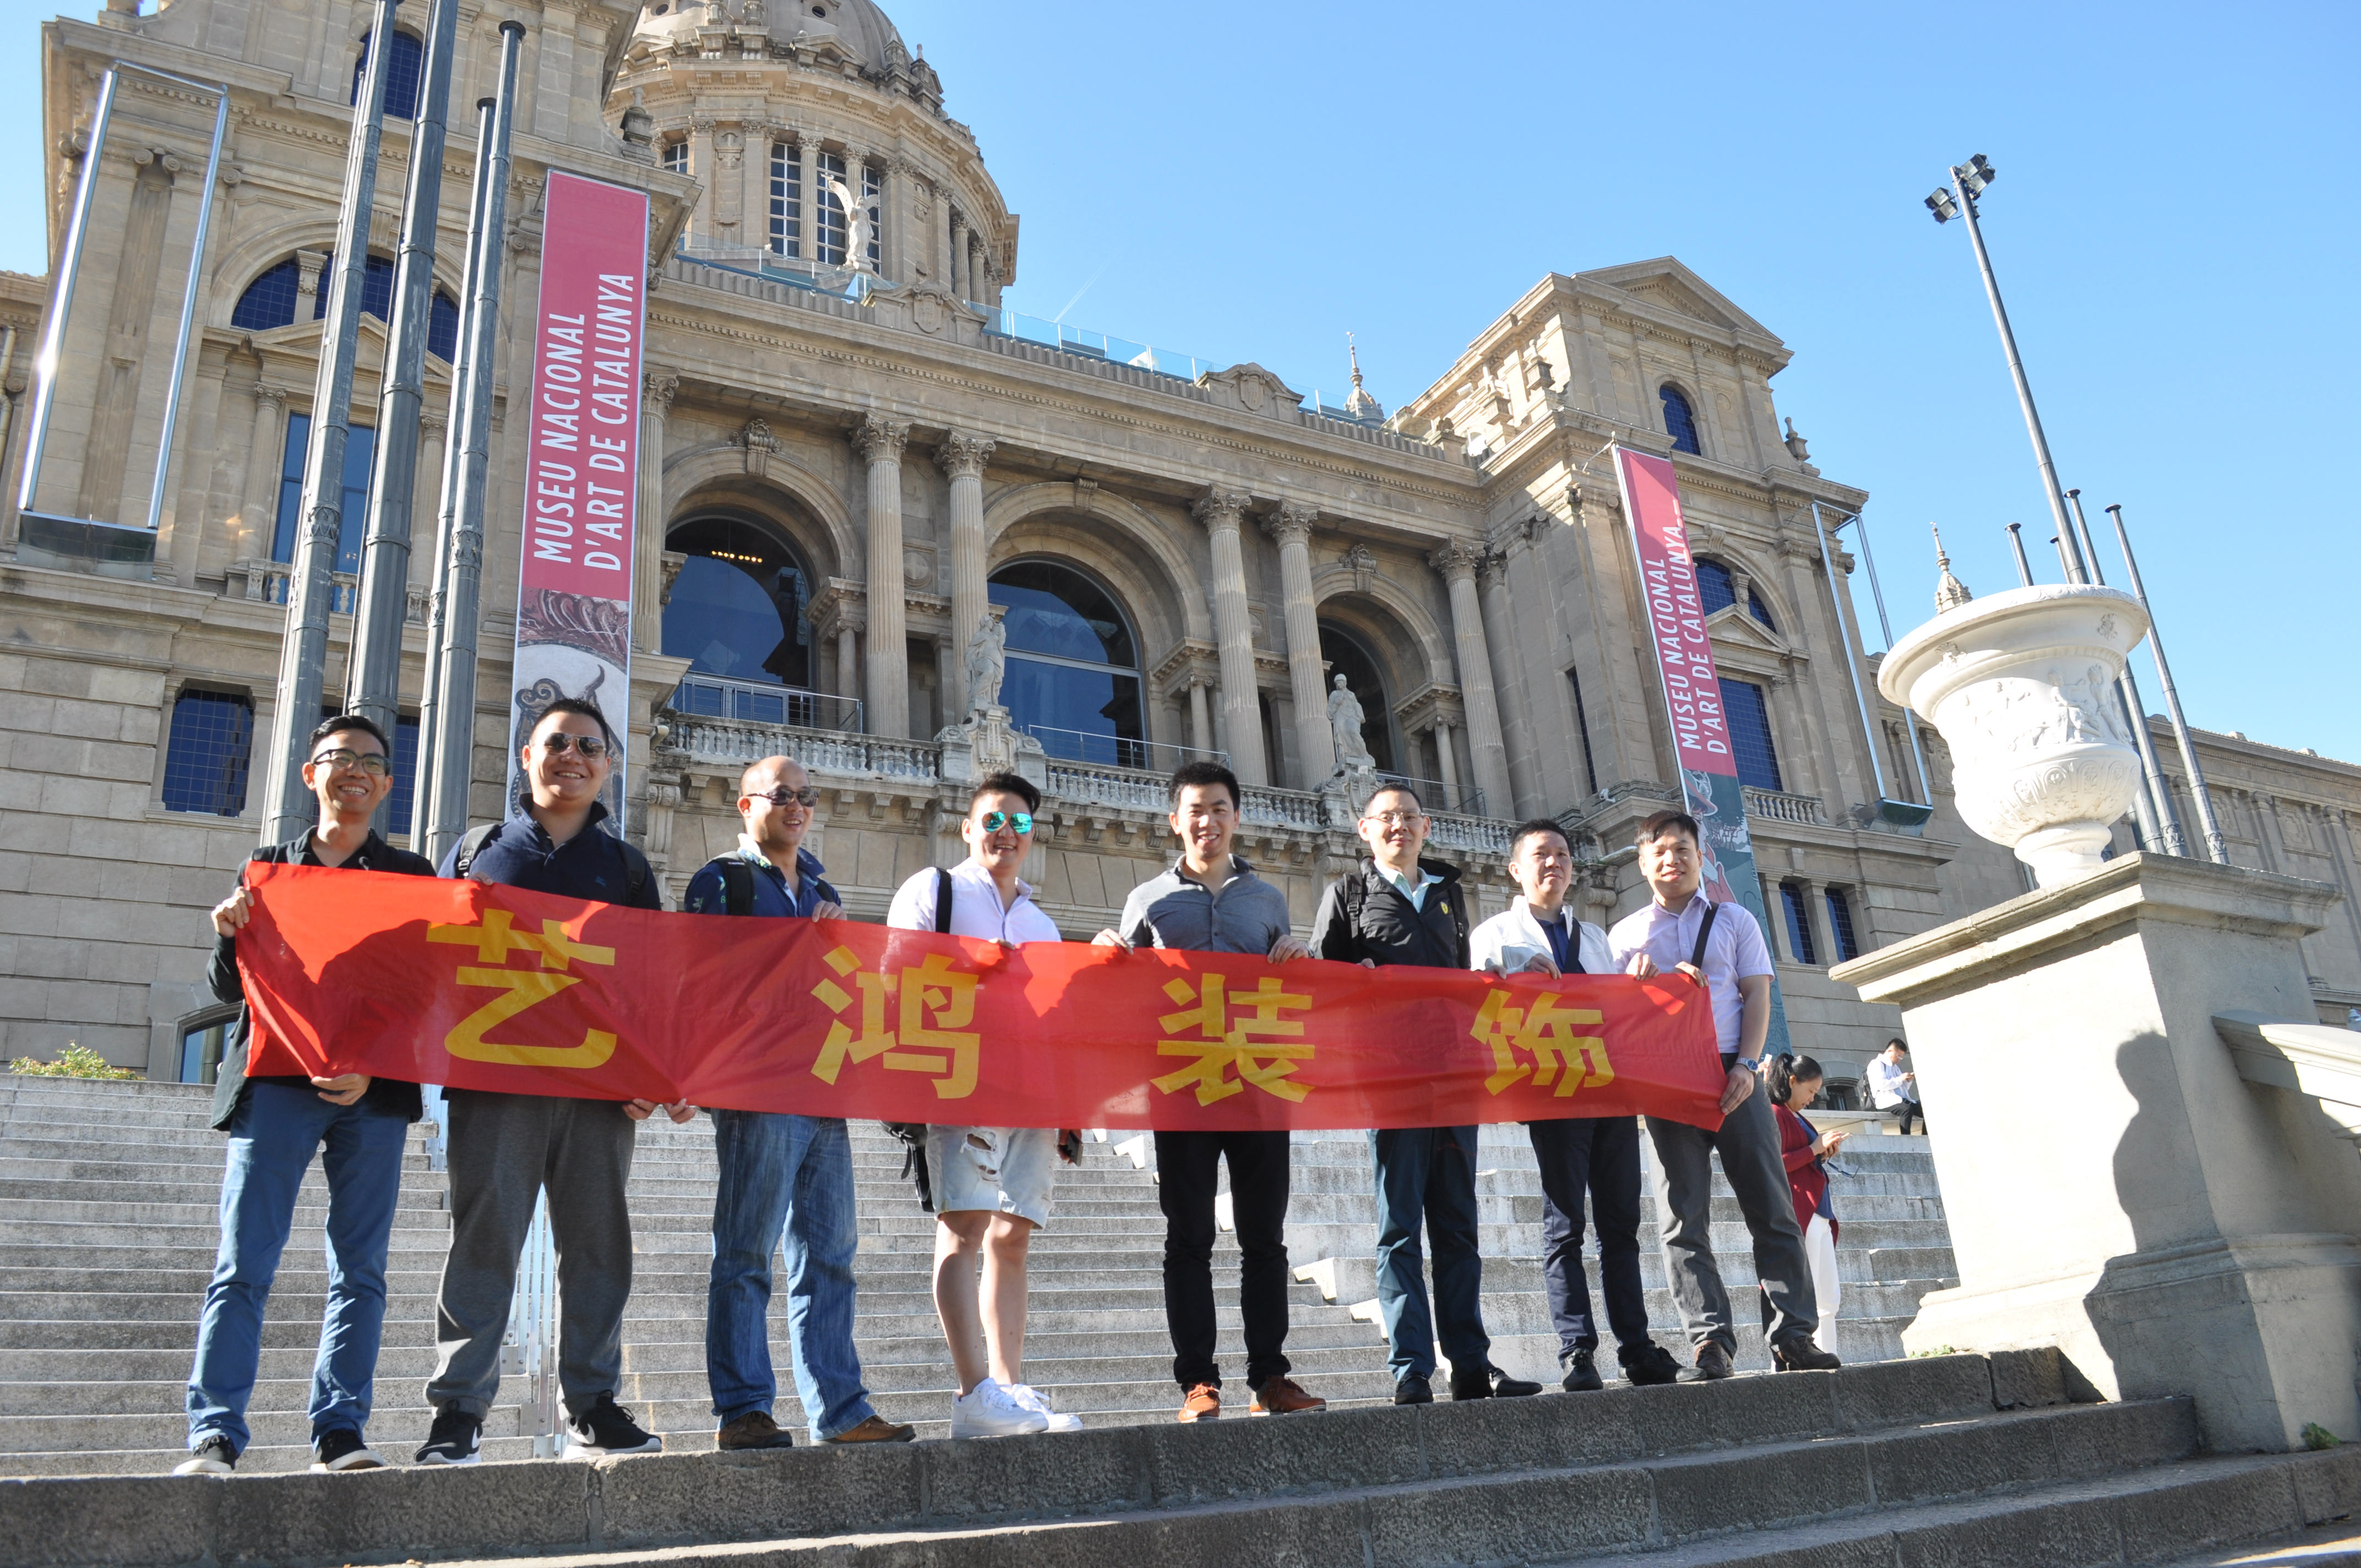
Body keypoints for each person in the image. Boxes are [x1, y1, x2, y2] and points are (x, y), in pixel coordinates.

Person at [418, 698, 677, 1465]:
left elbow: (653, 984)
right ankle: (457, 1411)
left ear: (609, 766)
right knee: (485, 1240)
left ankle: (592, 1404)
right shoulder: (478, 852)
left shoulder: (626, 868)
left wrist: (652, 1074)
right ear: (526, 755)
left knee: (598, 1247)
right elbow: (430, 957)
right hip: (496, 1084)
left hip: (598, 1089)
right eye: (556, 742)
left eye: (590, 746)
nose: (573, 755)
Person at [177, 715, 437, 1476]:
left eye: (369, 761)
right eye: (337, 758)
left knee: (360, 1271)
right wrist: (228, 932)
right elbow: (230, 991)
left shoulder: (411, 877)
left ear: (388, 783)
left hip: (373, 1092)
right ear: (309, 775)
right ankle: (216, 1432)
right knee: (242, 1265)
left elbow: (421, 995)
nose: (353, 770)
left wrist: (372, 1066)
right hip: (275, 1084)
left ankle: (340, 1430)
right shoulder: (268, 867)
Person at [682, 755, 914, 1450]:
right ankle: (744, 1408)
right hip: (757, 1086)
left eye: (805, 796)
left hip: (822, 1085)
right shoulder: (720, 880)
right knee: (747, 1252)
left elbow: (838, 985)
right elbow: (700, 978)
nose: (796, 806)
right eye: (781, 795)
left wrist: (837, 945)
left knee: (830, 1253)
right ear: (745, 804)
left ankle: (841, 1409)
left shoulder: (819, 884)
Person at [1094, 761, 1328, 1423]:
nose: (1208, 821)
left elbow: (1290, 989)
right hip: (1182, 1087)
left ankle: (1271, 1376)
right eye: (1195, 810)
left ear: (1236, 817)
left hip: (1258, 1084)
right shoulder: (1148, 901)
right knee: (1188, 1237)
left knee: (1266, 1238)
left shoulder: (1268, 900)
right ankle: (1198, 1381)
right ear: (1175, 821)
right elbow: (1120, 993)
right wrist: (1105, 950)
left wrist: (1296, 955)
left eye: (1219, 808)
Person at [1312, 784, 1542, 1406]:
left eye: (1408, 818)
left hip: (1453, 1077)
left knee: (1458, 1226)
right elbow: (1318, 979)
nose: (1398, 827)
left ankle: (1470, 1362)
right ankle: (1411, 1365)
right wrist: (1348, 979)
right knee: (1399, 1230)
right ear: (1364, 829)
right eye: (1386, 818)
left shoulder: (1448, 894)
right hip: (1389, 1082)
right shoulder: (1347, 893)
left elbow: (1465, 977)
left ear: (1426, 826)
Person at [1609, 809, 1841, 1379]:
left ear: (1699, 853)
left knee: (1771, 1205)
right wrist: (1632, 990)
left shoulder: (1734, 919)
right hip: (1668, 1082)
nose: (1672, 858)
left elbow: (1755, 996)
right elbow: (1612, 1022)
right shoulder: (1624, 936)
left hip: (1735, 1075)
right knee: (1680, 1218)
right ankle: (1709, 1340)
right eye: (1659, 850)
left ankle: (1792, 1335)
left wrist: (1744, 1064)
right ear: (1642, 862)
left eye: (1682, 847)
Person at [885, 771, 1080, 1439]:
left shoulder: (1041, 920)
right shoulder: (933, 889)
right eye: (993, 820)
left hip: (1029, 1087)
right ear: (966, 828)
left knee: (1014, 1234)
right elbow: (894, 975)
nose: (1006, 833)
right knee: (963, 1229)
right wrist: (972, 968)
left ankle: (1010, 1385)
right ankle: (973, 1392)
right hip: (956, 1079)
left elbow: (1059, 1016)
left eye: (1020, 823)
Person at [1467, 820, 1684, 1393]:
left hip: (1609, 1093)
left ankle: (1635, 1346)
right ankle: (1576, 1349)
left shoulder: (1595, 939)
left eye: (1563, 855)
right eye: (1541, 854)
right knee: (1564, 1225)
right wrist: (1514, 977)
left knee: (1621, 1224)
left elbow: (1614, 1014)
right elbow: (1472, 1004)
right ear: (1515, 868)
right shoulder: (1493, 934)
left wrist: (1639, 982)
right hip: (1551, 1093)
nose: (1554, 864)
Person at [1766, 1054, 1845, 1357]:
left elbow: (1801, 1158)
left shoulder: (1794, 1114)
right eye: (1810, 1091)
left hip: (1818, 1211)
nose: (1813, 1098)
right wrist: (1814, 1149)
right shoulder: (1776, 1112)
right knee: (1811, 1292)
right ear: (1792, 1081)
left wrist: (1822, 1154)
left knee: (1827, 1295)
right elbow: (1773, 1164)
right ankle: (1804, 1354)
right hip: (1804, 1210)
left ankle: (1828, 1353)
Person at [1869, 1039, 1924, 1134]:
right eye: (1898, 1056)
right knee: (1906, 1110)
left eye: (1901, 1057)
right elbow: (1881, 1084)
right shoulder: (1877, 1063)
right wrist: (1900, 1079)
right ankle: (1906, 1138)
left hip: (1899, 1099)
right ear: (1890, 1051)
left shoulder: (1895, 1067)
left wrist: (1908, 1080)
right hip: (1885, 1101)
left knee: (1925, 1109)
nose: (1899, 1059)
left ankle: (1927, 1137)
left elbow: (1901, 1089)